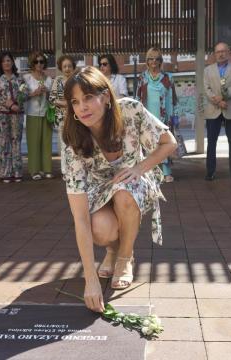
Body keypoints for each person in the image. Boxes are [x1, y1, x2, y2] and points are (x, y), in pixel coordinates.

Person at [62, 67, 176, 312]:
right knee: (99, 230)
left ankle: (125, 257)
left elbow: (169, 143)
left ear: (104, 96)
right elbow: (80, 218)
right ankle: (112, 249)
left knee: (125, 192)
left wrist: (140, 168)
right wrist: (90, 279)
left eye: (88, 97)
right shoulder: (72, 141)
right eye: (75, 101)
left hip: (134, 180)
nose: (82, 107)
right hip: (99, 189)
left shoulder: (130, 110)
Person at [203, 42, 231, 181]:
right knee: (211, 142)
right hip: (213, 109)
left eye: (223, 51)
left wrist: (225, 95)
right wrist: (218, 101)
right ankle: (210, 172)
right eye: (218, 52)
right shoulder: (208, 70)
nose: (220, 54)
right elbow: (206, 88)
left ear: (228, 52)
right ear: (215, 54)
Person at [136, 47, 176, 183]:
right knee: (149, 144)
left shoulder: (168, 77)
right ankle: (151, 171)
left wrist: (174, 115)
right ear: (147, 61)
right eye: (150, 58)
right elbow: (137, 97)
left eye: (156, 59)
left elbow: (172, 98)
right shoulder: (142, 77)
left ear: (160, 61)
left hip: (163, 116)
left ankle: (166, 171)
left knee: (164, 142)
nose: (154, 61)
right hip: (147, 116)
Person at [0, 52, 26, 183]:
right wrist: (10, 104)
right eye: (4, 61)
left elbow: (25, 92)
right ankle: (5, 173)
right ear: (1, 63)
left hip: (17, 114)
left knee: (16, 142)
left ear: (12, 62)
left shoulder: (19, 78)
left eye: (9, 60)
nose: (7, 63)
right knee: (3, 143)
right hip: (2, 115)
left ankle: (17, 172)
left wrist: (19, 102)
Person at [23, 51, 54, 180]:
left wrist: (47, 93)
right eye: (36, 61)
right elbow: (21, 97)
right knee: (33, 142)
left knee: (47, 142)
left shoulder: (49, 79)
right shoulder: (26, 78)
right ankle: (34, 170)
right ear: (32, 63)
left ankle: (46, 169)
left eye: (41, 61)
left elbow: (53, 98)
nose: (39, 64)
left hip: (46, 113)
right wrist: (33, 93)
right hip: (32, 113)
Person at [49, 55, 77, 173]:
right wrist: (68, 104)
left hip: (76, 117)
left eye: (69, 66)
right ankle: (65, 171)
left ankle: (75, 169)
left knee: (76, 143)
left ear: (73, 67)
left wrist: (67, 103)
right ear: (61, 68)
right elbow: (52, 99)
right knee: (64, 144)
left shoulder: (77, 80)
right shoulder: (58, 80)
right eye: (64, 66)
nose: (67, 69)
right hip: (62, 118)